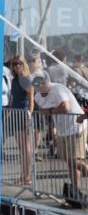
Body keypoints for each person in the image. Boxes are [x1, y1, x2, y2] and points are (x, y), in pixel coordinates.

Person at [34, 74, 88, 203]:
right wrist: (53, 129)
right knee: (69, 161)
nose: (40, 88)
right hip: (63, 130)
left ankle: (77, 188)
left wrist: (50, 111)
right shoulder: (37, 97)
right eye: (38, 86)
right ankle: (75, 193)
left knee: (73, 160)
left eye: (43, 84)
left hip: (76, 126)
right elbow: (46, 112)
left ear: (48, 82)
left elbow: (65, 107)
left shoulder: (58, 89)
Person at [7, 56, 35, 185]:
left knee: (25, 147)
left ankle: (26, 176)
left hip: (23, 114)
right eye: (14, 64)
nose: (17, 66)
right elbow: (13, 98)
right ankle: (24, 175)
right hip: (15, 114)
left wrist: (29, 114)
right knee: (22, 147)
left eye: (19, 63)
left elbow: (31, 99)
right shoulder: (15, 80)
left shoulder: (26, 79)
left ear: (24, 64)